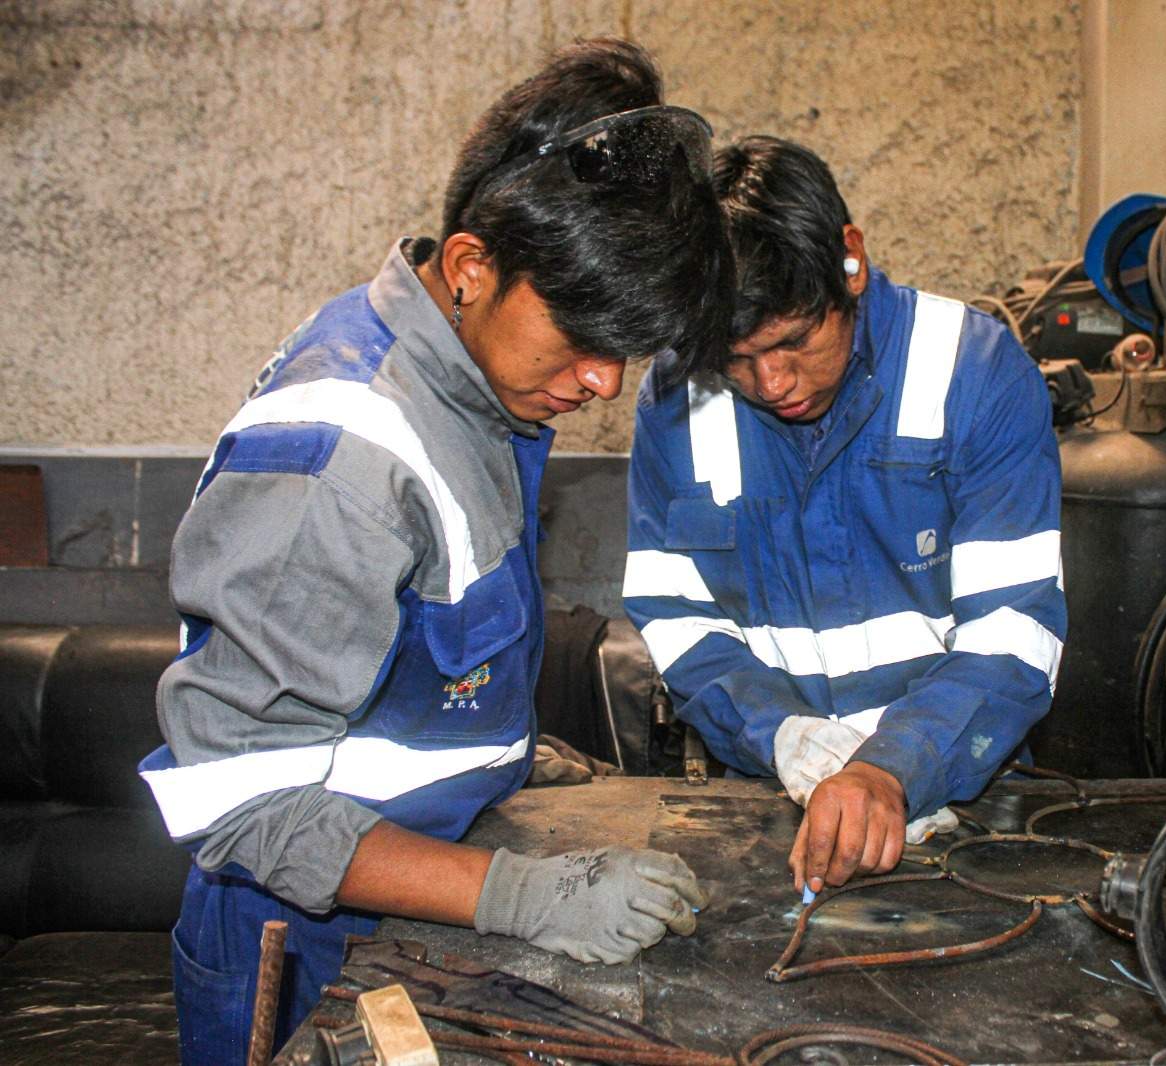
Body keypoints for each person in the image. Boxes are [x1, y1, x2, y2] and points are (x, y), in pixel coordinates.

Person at [138, 39, 729, 1064]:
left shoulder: (474, 374)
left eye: (624, 353)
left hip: (413, 899)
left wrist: (511, 758)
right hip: (304, 950)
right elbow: (238, 805)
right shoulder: (338, 464)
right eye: (582, 342)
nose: (602, 385)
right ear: (469, 266)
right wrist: (518, 892)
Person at [623, 136, 1066, 898]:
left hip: (964, 795)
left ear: (849, 261)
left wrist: (896, 766)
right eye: (736, 358)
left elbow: (1014, 628)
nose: (773, 381)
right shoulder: (675, 403)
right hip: (765, 795)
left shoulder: (976, 372)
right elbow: (677, 617)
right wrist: (782, 736)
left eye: (797, 340)